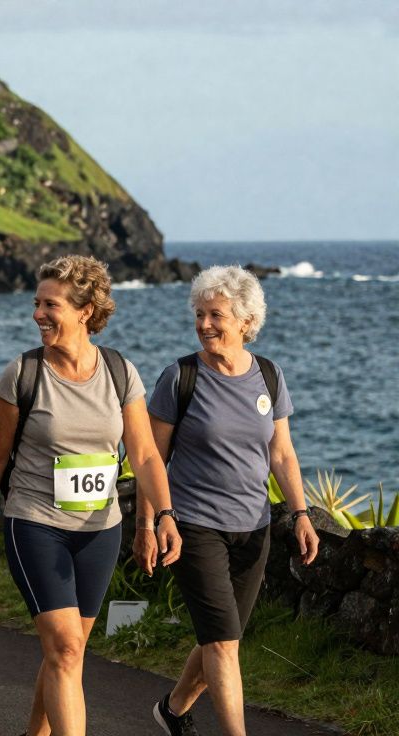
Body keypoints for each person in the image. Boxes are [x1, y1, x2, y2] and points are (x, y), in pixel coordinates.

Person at [0, 254, 182, 736]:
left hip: (99, 531)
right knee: (63, 649)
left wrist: (160, 515)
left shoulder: (121, 372)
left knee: (69, 651)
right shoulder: (22, 374)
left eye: (51, 304)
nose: (38, 314)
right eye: (37, 303)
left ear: (86, 311)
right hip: (34, 522)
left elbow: (144, 455)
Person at [142, 265, 319, 736]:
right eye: (199, 314)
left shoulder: (268, 375)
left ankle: (173, 710)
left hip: (254, 527)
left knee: (224, 638)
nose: (204, 324)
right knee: (223, 644)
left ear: (245, 321)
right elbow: (150, 459)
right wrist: (153, 521)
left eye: (215, 315)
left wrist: (300, 512)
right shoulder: (180, 376)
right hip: (194, 525)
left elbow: (281, 452)